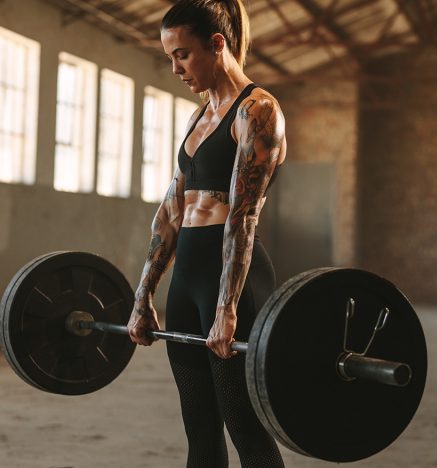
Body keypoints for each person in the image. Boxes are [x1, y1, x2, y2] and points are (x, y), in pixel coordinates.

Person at [127, 1, 286, 466]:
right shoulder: (199, 119)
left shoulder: (257, 112)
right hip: (188, 282)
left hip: (231, 283)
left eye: (182, 54)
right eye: (170, 58)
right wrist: (143, 295)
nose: (176, 68)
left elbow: (243, 215)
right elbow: (170, 212)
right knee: (199, 430)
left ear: (217, 44)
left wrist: (227, 307)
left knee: (246, 430)